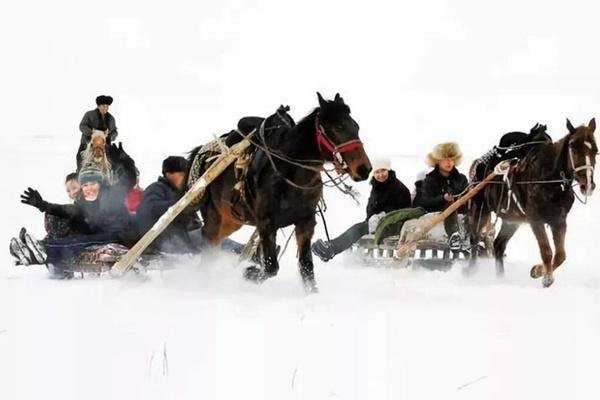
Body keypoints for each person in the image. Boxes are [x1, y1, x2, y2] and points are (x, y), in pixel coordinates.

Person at [14, 165, 136, 278]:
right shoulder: (86, 203)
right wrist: (43, 205)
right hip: (101, 234)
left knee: (77, 241)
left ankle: (43, 248)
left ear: (101, 184)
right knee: (73, 236)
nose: (89, 188)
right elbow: (67, 210)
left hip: (118, 235)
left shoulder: (108, 197)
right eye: (85, 185)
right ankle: (31, 251)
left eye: (93, 183)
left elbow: (127, 182)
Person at [136, 156, 244, 254]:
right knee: (214, 237)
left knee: (215, 234)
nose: (185, 179)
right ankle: (241, 253)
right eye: (182, 175)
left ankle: (242, 252)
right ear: (169, 173)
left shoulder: (178, 192)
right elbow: (149, 210)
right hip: (172, 238)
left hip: (187, 235)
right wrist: (180, 205)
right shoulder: (157, 188)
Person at [312, 157, 412, 262]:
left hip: (394, 225)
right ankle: (330, 246)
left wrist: (382, 216)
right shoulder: (377, 187)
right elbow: (371, 206)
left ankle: (331, 249)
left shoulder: (399, 188)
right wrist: (371, 218)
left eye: (383, 170)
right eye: (377, 172)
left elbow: (404, 210)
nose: (380, 175)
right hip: (379, 223)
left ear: (389, 170)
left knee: (357, 229)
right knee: (358, 228)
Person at [413, 142, 469, 249]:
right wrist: (442, 199)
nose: (449, 162)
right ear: (438, 161)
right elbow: (425, 202)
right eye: (445, 159)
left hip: (460, 212)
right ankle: (454, 235)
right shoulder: (430, 180)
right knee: (449, 204)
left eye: (452, 159)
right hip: (437, 213)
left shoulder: (461, 179)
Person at [77, 95, 118, 166]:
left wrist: (110, 137)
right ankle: (79, 173)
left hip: (105, 145)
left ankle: (113, 174)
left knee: (115, 159)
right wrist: (92, 133)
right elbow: (82, 126)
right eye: (103, 106)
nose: (105, 108)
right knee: (80, 157)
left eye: (107, 106)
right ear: (98, 106)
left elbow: (114, 131)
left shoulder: (111, 118)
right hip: (88, 143)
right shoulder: (89, 114)